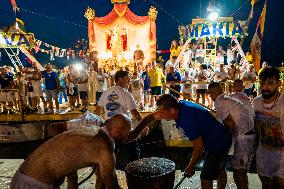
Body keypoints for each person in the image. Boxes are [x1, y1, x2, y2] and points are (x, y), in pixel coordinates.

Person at [127, 94, 232, 189]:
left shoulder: (187, 119)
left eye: (162, 112)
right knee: (219, 168)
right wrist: (134, 134)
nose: (160, 115)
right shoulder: (178, 106)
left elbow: (199, 147)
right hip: (218, 137)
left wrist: (191, 166)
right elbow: (151, 117)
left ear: (172, 111)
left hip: (219, 142)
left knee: (205, 177)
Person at [10, 114, 131, 189]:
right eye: (127, 132)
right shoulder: (104, 148)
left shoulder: (92, 129)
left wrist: (71, 175)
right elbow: (112, 184)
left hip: (22, 176)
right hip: (34, 183)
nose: (128, 136)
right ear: (117, 131)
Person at [208, 82, 256, 189]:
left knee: (238, 174)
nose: (210, 97)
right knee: (242, 172)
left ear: (213, 93)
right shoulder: (229, 98)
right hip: (251, 137)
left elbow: (230, 124)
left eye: (210, 94)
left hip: (244, 139)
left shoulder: (219, 102)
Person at [96, 70, 144, 162]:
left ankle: (111, 169)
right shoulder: (125, 93)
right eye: (127, 78)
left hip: (109, 125)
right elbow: (134, 112)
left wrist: (99, 125)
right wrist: (144, 126)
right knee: (133, 149)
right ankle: (133, 168)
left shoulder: (105, 92)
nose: (129, 79)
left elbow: (98, 111)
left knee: (112, 150)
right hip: (123, 125)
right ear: (120, 79)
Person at [253, 67, 284, 189]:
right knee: (266, 185)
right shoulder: (256, 102)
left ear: (279, 83)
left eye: (270, 83)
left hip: (282, 155)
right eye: (262, 83)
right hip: (264, 153)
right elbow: (257, 126)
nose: (265, 87)